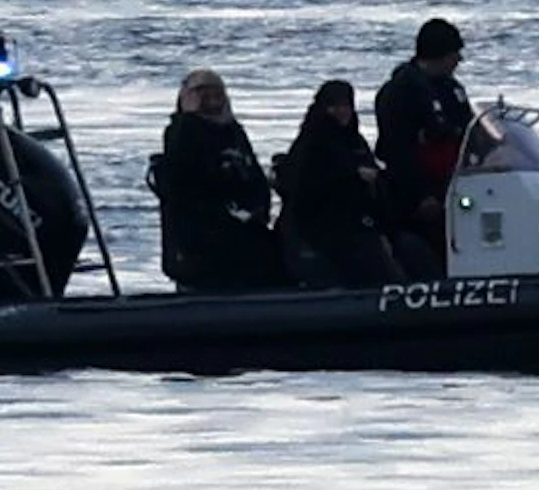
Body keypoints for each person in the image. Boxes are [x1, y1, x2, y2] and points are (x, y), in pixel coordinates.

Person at [147, 68, 285, 292]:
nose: (210, 99)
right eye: (202, 93)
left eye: (216, 93)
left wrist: (256, 210)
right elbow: (184, 189)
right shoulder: (182, 133)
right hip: (202, 241)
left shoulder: (234, 132)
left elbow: (255, 177)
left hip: (243, 233)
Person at [276, 80, 403, 288]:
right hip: (323, 228)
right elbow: (304, 188)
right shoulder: (312, 143)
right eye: (334, 106)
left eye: (346, 105)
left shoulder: (354, 141)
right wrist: (353, 177)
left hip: (357, 223)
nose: (342, 111)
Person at [373, 18, 473, 278]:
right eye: (454, 53)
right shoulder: (400, 92)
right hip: (417, 193)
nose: (459, 60)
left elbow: (469, 131)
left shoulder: (452, 90)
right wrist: (419, 195)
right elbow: (397, 150)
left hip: (454, 185)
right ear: (440, 54)